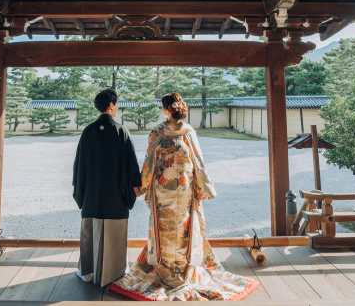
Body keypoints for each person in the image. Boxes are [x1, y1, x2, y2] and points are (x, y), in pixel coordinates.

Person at [110, 92, 259, 301]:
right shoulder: (189, 131)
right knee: (182, 229)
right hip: (186, 190)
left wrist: (141, 186)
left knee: (166, 229)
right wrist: (204, 187)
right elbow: (198, 161)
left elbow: (149, 162)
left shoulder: (157, 132)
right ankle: (183, 269)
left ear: (165, 109)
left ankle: (166, 269)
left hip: (163, 192)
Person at [72, 88, 142, 287]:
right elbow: (131, 163)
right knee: (115, 233)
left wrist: (81, 192)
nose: (117, 107)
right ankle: (115, 273)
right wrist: (136, 186)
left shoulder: (88, 131)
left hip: (92, 195)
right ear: (111, 105)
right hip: (116, 195)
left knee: (90, 231)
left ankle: (88, 272)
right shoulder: (121, 130)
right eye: (117, 104)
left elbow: (79, 165)